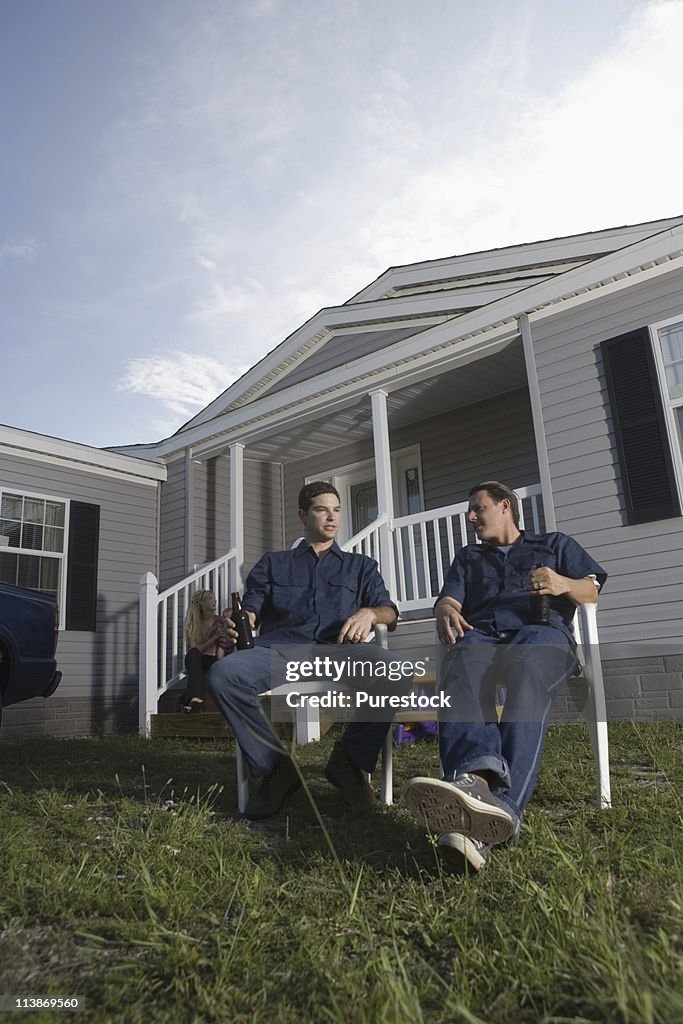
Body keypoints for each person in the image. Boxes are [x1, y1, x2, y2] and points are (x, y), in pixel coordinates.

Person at [403, 480, 607, 873]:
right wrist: (445, 608)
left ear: (505, 506)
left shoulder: (554, 544)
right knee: (460, 665)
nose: (470, 517)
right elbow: (450, 597)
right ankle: (475, 780)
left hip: (542, 637)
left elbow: (592, 590)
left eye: (478, 508)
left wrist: (563, 583)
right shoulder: (468, 558)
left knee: (528, 669)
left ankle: (497, 810)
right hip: (482, 637)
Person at [207, 481, 410, 819]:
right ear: (303, 514)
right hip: (281, 651)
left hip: (341, 652)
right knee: (223, 675)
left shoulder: (360, 566)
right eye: (321, 509)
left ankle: (349, 761)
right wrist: (240, 618)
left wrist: (370, 613)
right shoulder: (274, 563)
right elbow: (252, 607)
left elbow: (390, 613)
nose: (331, 518)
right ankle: (276, 768)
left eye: (336, 510)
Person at [180, 590, 232, 713]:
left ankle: (192, 699)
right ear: (202, 603)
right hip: (197, 660)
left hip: (214, 660)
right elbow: (195, 649)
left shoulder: (220, 620)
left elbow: (228, 642)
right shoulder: (193, 624)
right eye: (210, 598)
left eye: (215, 598)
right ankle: (196, 698)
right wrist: (214, 637)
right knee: (193, 654)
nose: (214, 601)